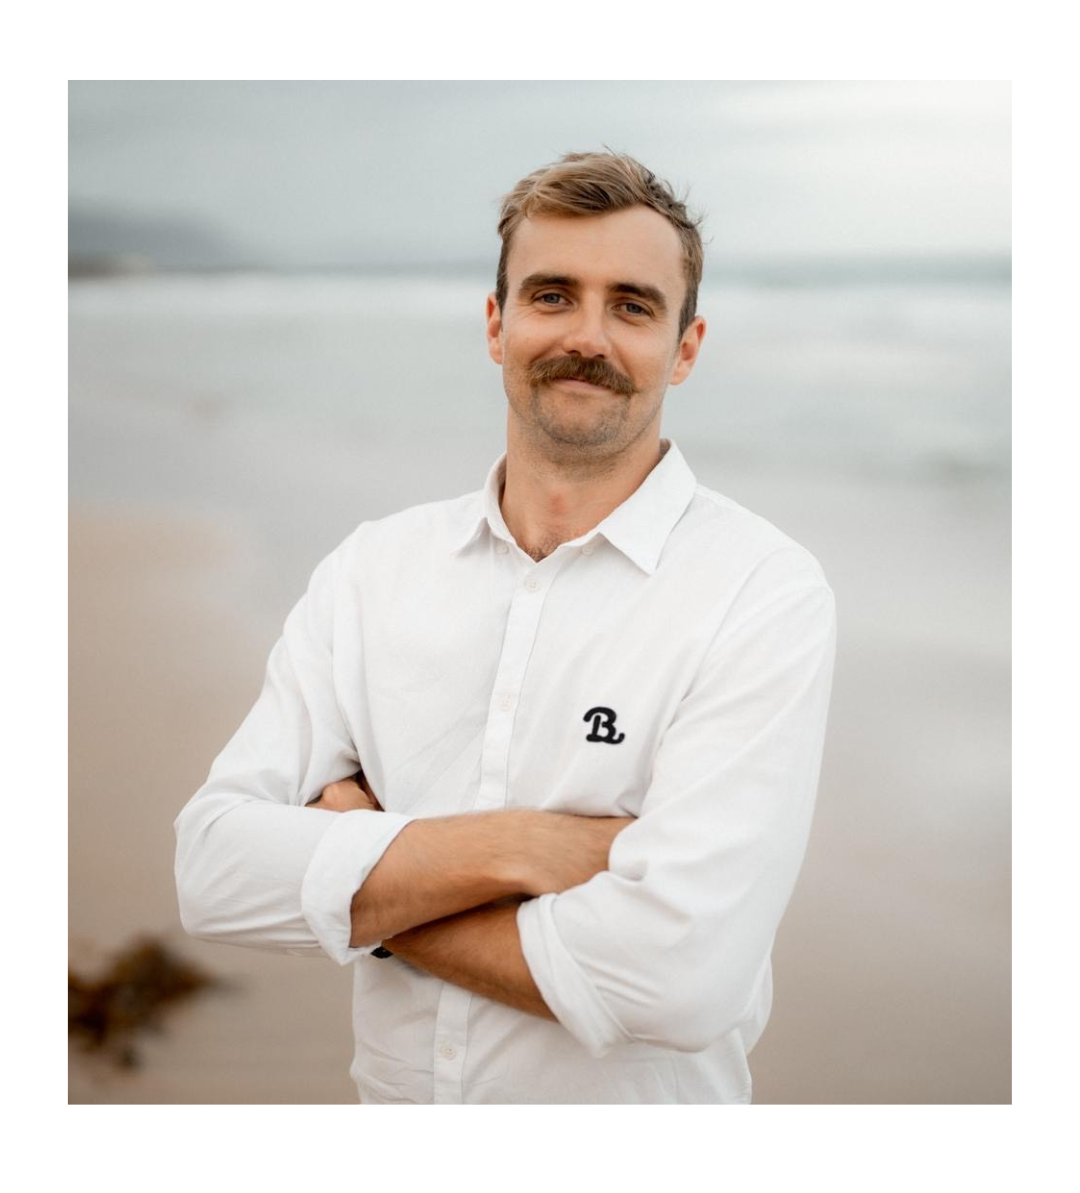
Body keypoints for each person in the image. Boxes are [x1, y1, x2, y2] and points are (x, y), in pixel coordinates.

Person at [174, 150, 836, 1104]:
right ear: (497, 324)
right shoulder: (373, 570)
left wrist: (376, 885)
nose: (588, 336)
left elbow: (680, 979)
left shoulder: (760, 591)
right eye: (553, 295)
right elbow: (214, 871)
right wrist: (517, 845)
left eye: (634, 306)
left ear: (686, 348)